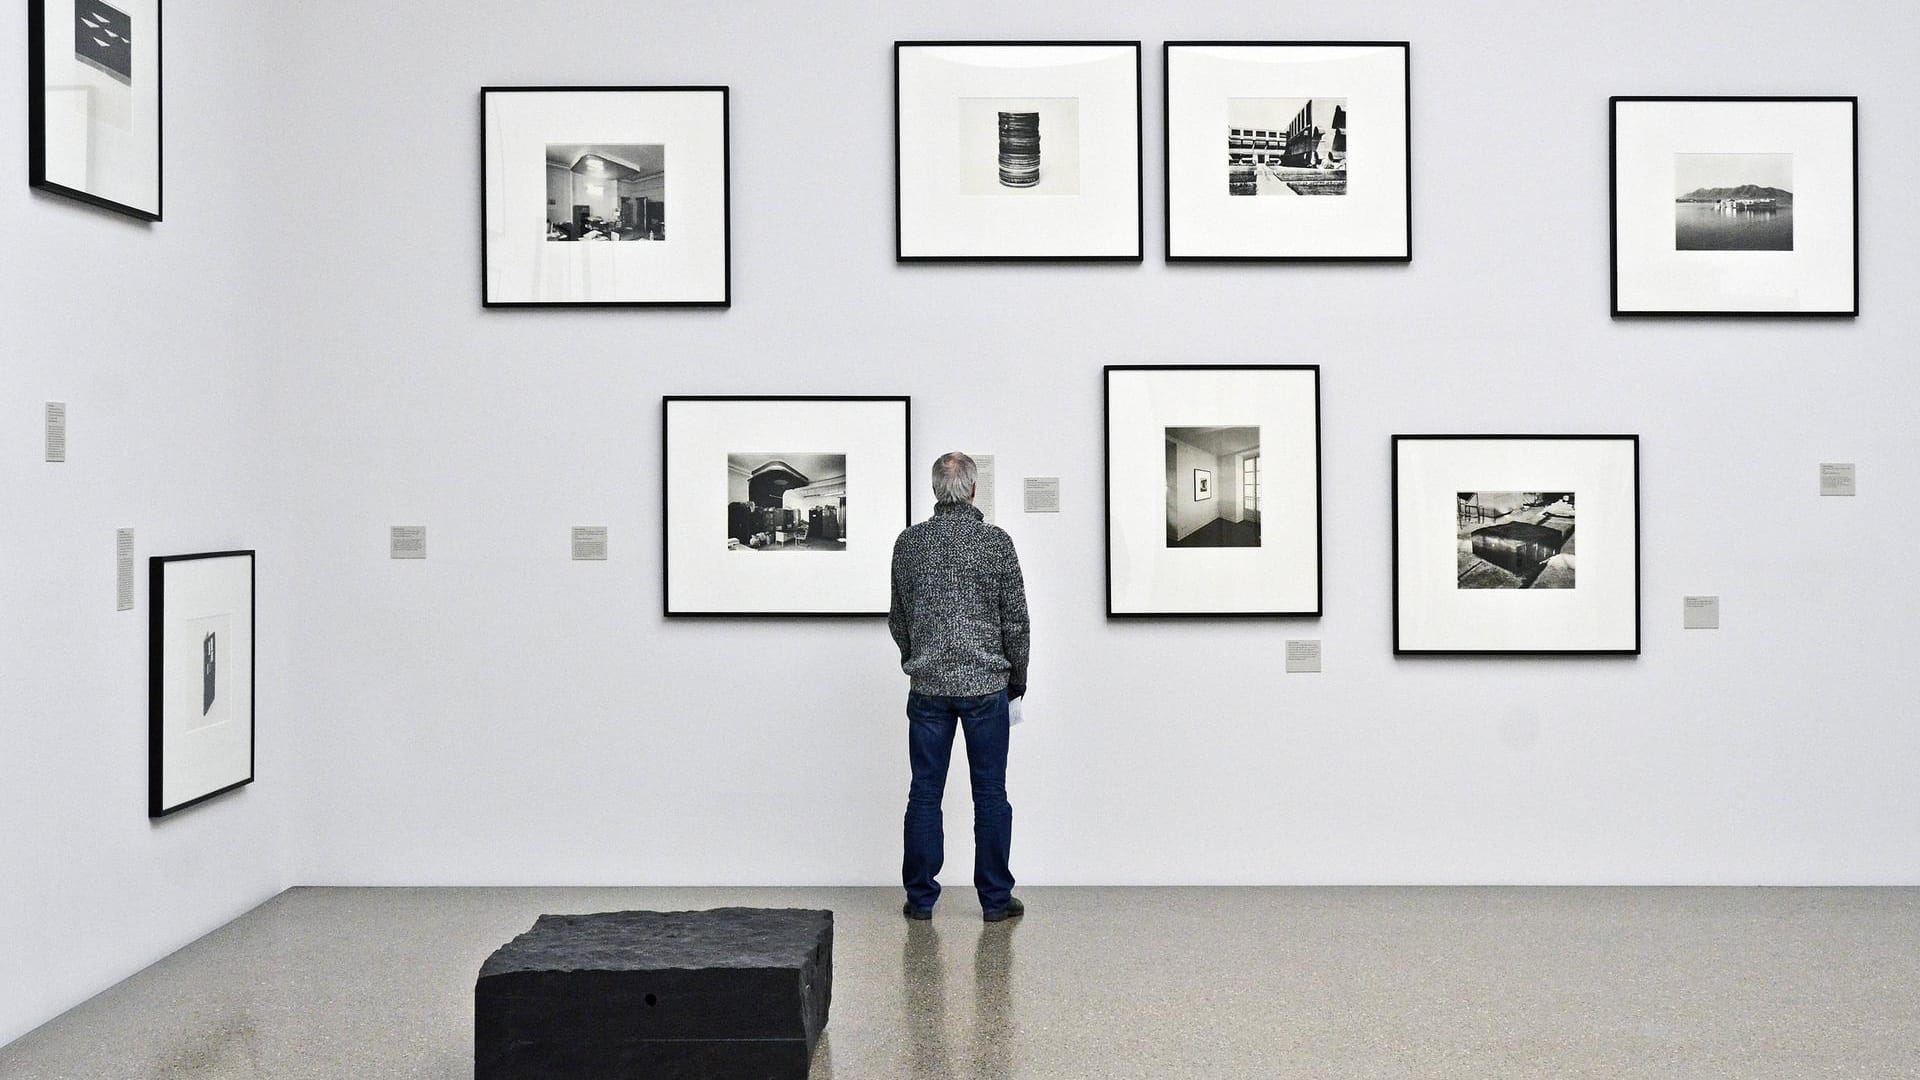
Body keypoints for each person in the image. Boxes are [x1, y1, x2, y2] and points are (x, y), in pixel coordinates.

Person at [888, 452, 1030, 923]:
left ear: (934, 490)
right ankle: (994, 901)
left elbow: (898, 618)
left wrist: (916, 656)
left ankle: (921, 900)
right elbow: (1016, 621)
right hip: (986, 686)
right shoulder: (996, 543)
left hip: (928, 686)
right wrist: (1018, 678)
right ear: (972, 490)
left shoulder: (909, 544)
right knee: (990, 792)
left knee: (924, 792)